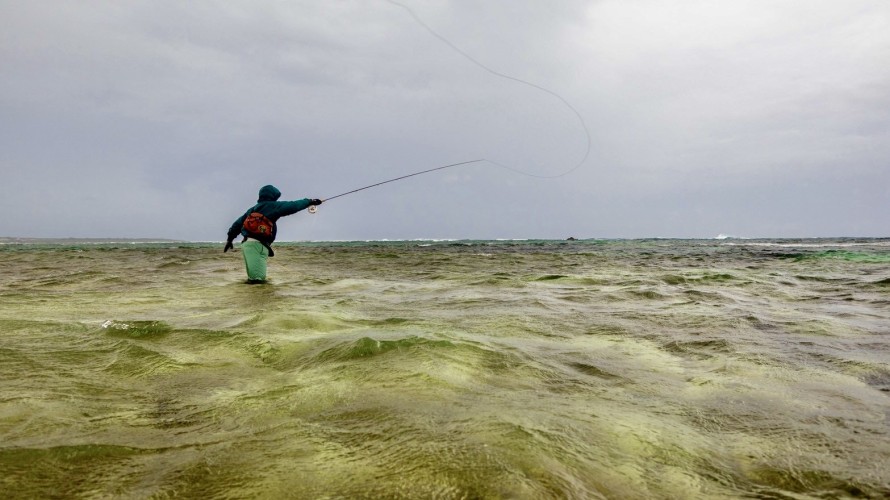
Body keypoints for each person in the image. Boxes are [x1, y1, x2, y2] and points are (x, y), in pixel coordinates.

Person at [225, 185, 322, 283]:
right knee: (258, 281)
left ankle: (247, 297)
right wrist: (309, 201)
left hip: (247, 245)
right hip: (258, 245)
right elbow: (293, 206)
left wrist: (230, 239)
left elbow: (237, 224)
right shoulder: (272, 206)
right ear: (273, 196)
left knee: (253, 279)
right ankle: (260, 298)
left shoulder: (253, 209)